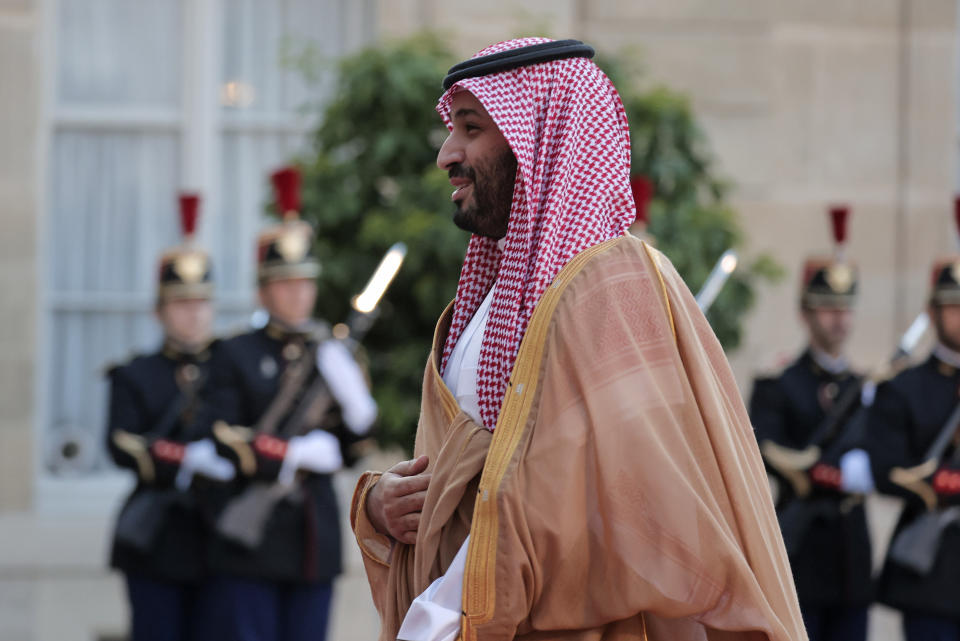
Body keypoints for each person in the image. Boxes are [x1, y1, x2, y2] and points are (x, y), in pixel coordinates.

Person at [349, 37, 806, 641]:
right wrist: (386, 504)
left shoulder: (610, 291)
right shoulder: (491, 300)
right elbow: (480, 474)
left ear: (537, 138)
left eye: (471, 128)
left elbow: (618, 507)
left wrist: (444, 614)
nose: (446, 154)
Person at [202, 166, 377, 641]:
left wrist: (354, 412)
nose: (299, 293)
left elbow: (354, 442)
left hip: (312, 536)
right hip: (250, 539)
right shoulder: (234, 353)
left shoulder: (335, 355)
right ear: (263, 289)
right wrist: (291, 454)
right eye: (285, 282)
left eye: (306, 282)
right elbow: (220, 433)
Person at [106, 193, 235, 641]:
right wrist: (183, 459)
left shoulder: (228, 365)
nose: (194, 312)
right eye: (181, 303)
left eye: (201, 302)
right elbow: (121, 442)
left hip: (219, 539)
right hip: (156, 542)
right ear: (159, 309)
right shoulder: (135, 373)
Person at [749, 206, 874, 641]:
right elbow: (763, 447)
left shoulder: (866, 387)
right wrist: (823, 473)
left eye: (845, 309)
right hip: (802, 551)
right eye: (826, 309)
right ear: (806, 313)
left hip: (851, 559)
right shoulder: (779, 383)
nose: (838, 319)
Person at [868, 206, 960, 641]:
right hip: (934, 578)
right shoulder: (906, 387)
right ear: (933, 311)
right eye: (953, 306)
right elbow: (885, 470)